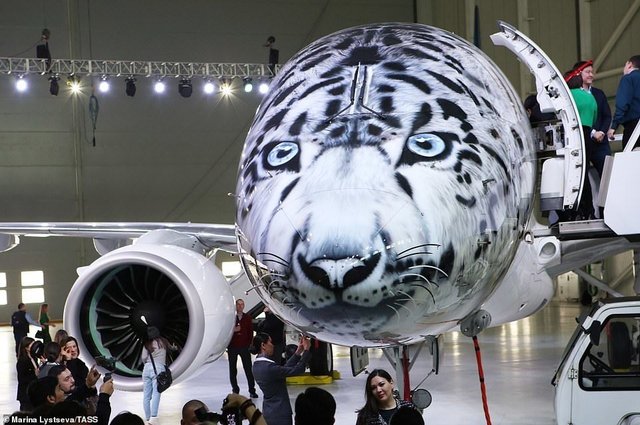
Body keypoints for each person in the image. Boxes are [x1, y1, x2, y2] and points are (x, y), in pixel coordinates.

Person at [251, 332, 311, 425]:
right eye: (270, 342)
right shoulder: (269, 367)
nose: (273, 345)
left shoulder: (256, 366)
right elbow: (298, 370)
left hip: (268, 412)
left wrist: (298, 352)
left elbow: (283, 370)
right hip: (280, 413)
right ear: (263, 345)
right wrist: (306, 350)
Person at [564, 69, 596, 220]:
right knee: (584, 174)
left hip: (574, 135)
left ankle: (575, 211)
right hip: (587, 135)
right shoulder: (590, 97)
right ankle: (589, 210)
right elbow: (595, 116)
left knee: (573, 175)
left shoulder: (568, 96)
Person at [572, 60, 612, 177]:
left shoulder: (599, 93)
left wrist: (602, 132)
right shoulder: (572, 95)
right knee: (581, 177)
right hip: (582, 143)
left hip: (600, 143)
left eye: (592, 72)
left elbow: (607, 116)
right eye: (587, 72)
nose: (591, 75)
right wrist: (593, 132)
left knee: (608, 175)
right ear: (578, 73)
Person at [141, 326, 172, 424]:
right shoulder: (163, 342)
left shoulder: (147, 344)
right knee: (156, 393)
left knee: (146, 395)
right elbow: (171, 348)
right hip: (158, 369)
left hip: (146, 368)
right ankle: (153, 417)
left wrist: (147, 363)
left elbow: (143, 357)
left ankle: (147, 417)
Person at [608, 55, 640, 149]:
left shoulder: (628, 78)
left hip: (634, 127)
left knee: (631, 155)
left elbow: (623, 103)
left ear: (629, 64)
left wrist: (614, 126)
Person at [228, 299, 258, 398]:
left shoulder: (247, 318)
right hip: (233, 347)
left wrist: (249, 344)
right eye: (238, 304)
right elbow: (226, 330)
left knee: (248, 369)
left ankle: (252, 390)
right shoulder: (231, 318)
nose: (240, 306)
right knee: (233, 369)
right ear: (235, 306)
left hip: (244, 347)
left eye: (242, 304)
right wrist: (234, 330)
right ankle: (235, 390)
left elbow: (250, 332)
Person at [16, 336, 39, 411]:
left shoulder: (34, 358)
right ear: (26, 347)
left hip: (33, 393)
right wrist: (34, 375)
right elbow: (21, 379)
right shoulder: (22, 361)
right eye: (32, 345)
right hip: (25, 394)